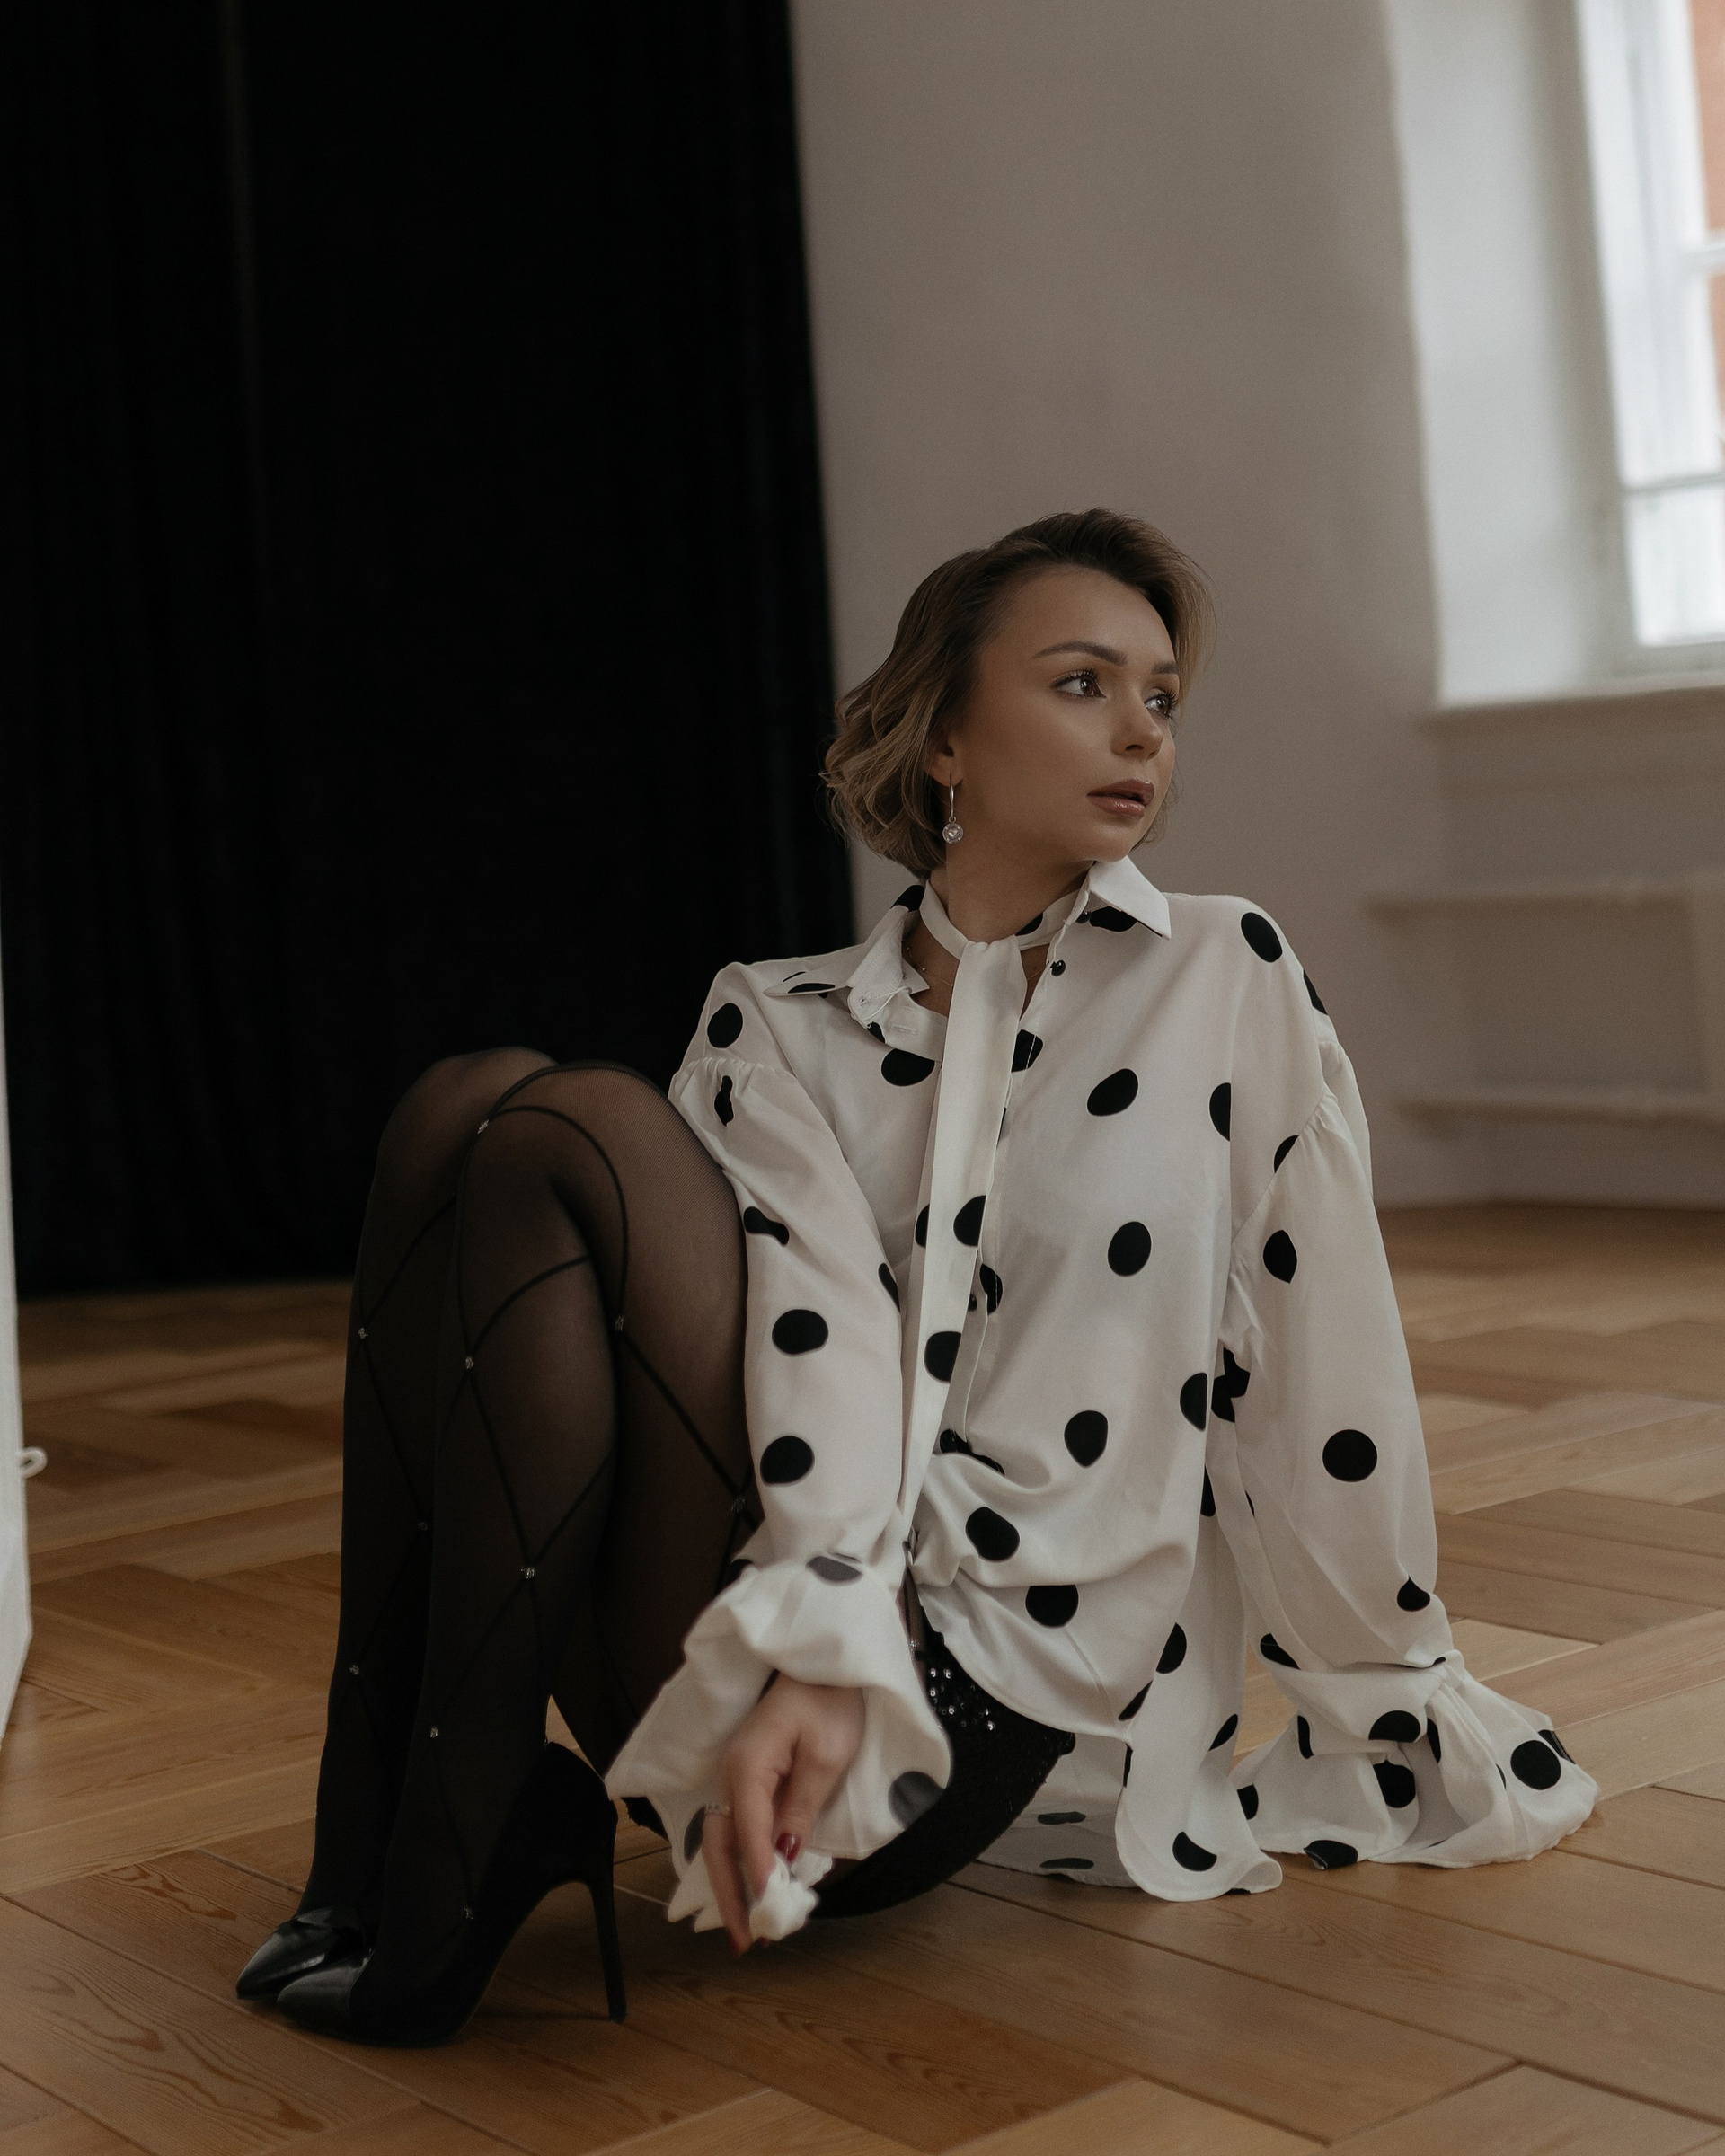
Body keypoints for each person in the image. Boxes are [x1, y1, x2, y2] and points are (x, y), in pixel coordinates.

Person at [239, 508, 1597, 2046]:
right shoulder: (779, 1019)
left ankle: (441, 1825)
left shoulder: (1221, 975)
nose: (1141, 731)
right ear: (945, 737)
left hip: (948, 1700)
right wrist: (822, 1605)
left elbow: (1322, 1354)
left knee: (565, 1126)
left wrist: (1394, 1679)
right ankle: (408, 1823)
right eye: (1083, 682)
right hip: (741, 1604)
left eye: (1161, 697)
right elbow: (812, 1332)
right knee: (458, 1114)